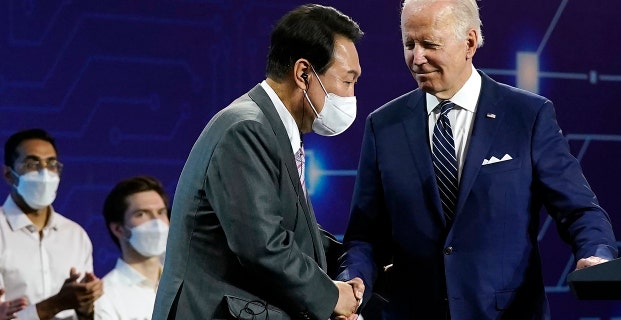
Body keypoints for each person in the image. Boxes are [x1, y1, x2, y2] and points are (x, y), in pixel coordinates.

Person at [336, 0, 618, 319]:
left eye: (429, 44)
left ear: (469, 42)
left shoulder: (527, 116)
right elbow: (364, 235)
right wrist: (353, 281)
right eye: (409, 44)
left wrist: (596, 255)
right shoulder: (383, 125)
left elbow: (579, 210)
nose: (416, 58)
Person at [152, 4, 365, 320]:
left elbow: (290, 231)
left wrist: (356, 261)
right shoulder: (247, 129)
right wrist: (332, 296)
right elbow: (263, 246)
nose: (351, 94)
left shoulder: (276, 129)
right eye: (347, 81)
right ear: (304, 74)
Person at [0, 128, 103, 320]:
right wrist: (58, 303)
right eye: (32, 164)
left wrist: (85, 306)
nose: (44, 173)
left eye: (51, 164)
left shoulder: (75, 235)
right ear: (8, 174)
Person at [94, 176, 170, 319]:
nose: (156, 223)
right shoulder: (105, 297)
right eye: (141, 214)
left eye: (161, 212)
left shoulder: (184, 285)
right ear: (118, 229)